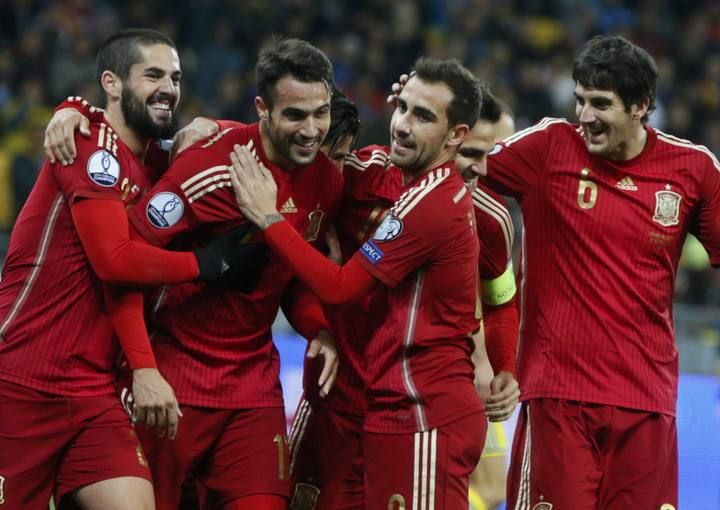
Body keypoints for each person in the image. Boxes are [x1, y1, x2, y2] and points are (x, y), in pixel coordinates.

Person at [228, 57, 495, 509]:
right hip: (370, 405)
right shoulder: (378, 177)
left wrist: (270, 219)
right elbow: (295, 142)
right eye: (403, 108)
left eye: (424, 116)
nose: (404, 126)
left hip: (424, 411)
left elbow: (338, 286)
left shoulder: (431, 205)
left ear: (457, 136)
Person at [482, 35, 720, 509]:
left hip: (647, 401)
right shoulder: (549, 147)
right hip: (559, 397)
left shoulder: (693, 170)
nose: (585, 116)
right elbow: (460, 168)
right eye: (580, 100)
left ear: (641, 106)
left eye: (601, 103)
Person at [114, 37, 342, 510]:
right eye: (294, 115)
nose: (311, 130)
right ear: (262, 109)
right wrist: (142, 368)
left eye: (321, 113)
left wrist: (319, 327)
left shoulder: (326, 180)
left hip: (252, 388)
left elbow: (291, 279)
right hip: (173, 382)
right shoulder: (209, 170)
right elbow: (124, 265)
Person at [0, 28, 200, 510]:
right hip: (22, 380)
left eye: (174, 77)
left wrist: (206, 127)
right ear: (111, 83)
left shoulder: (150, 161)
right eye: (152, 75)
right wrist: (207, 266)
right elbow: (114, 262)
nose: (168, 88)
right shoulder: (87, 145)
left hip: (94, 392)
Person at [457, 91, 519, 510]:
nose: (499, 161)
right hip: (463, 372)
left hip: (480, 371)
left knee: (492, 490)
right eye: (495, 147)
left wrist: (503, 366)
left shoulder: (495, 219)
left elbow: (500, 302)